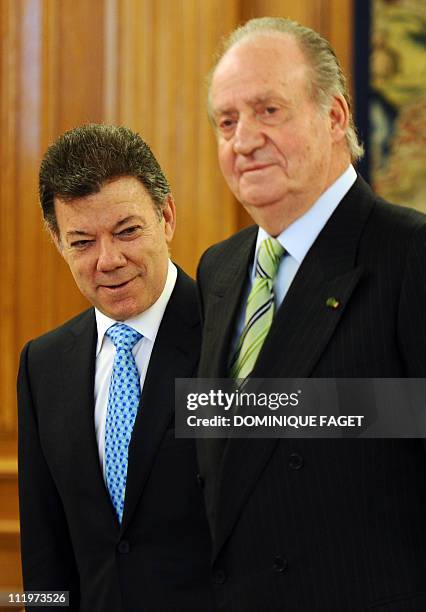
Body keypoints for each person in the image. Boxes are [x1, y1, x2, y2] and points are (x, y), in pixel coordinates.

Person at [196, 17, 426, 612]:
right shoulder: (218, 270)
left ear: (335, 116)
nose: (243, 140)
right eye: (226, 121)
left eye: (268, 110)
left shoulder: (409, 255)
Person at [18, 124, 215, 612]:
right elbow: (46, 550)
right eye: (82, 241)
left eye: (127, 231)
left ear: (166, 216)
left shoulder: (229, 338)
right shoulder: (42, 365)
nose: (108, 260)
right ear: (56, 240)